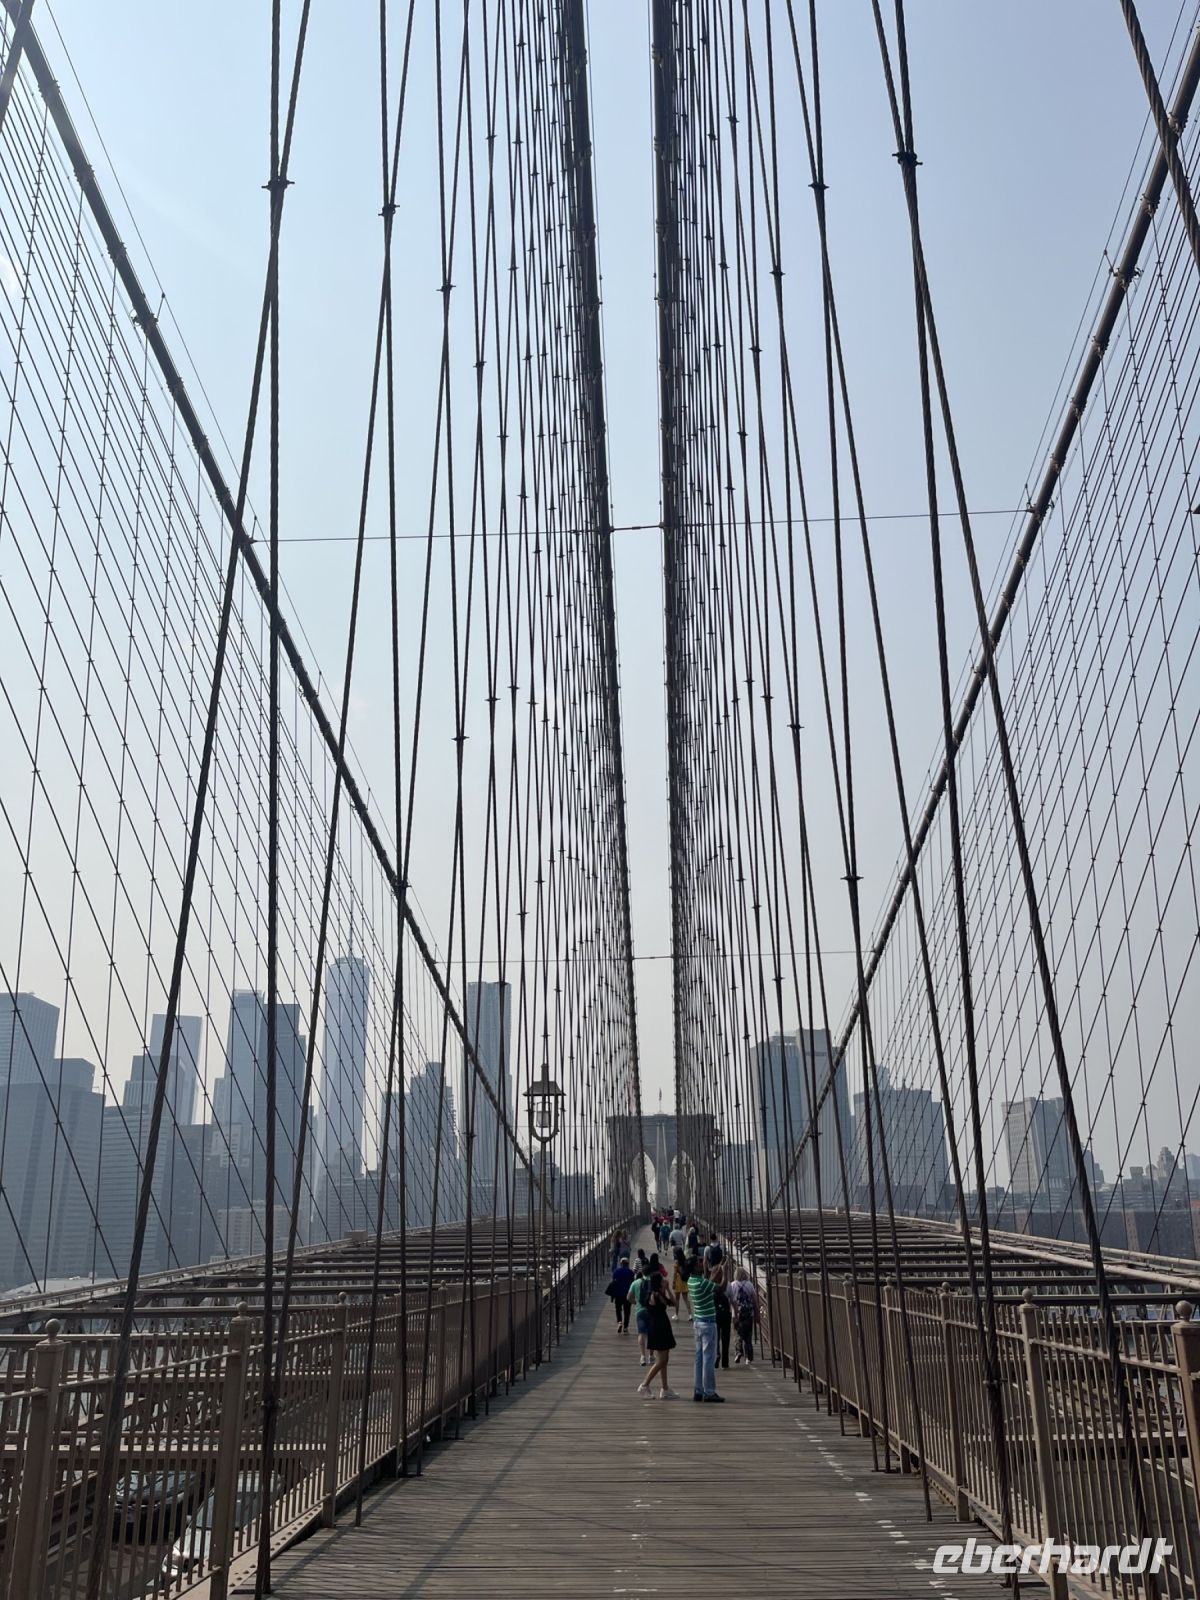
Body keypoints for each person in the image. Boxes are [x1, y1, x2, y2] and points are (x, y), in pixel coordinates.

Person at [637, 1263, 678, 1398]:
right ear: (658, 1282)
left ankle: (665, 1389)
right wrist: (667, 1289)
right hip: (660, 1328)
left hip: (658, 1327)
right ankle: (644, 1385)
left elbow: (671, 1303)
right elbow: (673, 1303)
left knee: (664, 1359)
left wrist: (666, 1289)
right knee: (661, 1360)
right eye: (661, 1280)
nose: (664, 1281)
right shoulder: (656, 1295)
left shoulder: (655, 1294)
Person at [686, 1256, 723, 1402]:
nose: (702, 1264)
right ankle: (709, 1392)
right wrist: (724, 1273)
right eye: (699, 1263)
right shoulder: (702, 1283)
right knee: (709, 1358)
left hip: (698, 1322)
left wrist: (714, 1272)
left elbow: (709, 1283)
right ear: (695, 1267)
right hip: (708, 1323)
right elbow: (720, 1287)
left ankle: (698, 1390)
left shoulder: (691, 1281)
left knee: (699, 1358)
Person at [729, 1267, 758, 1364]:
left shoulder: (732, 1285)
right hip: (748, 1313)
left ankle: (738, 1352)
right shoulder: (749, 1284)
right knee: (748, 1335)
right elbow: (754, 1300)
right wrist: (757, 1313)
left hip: (736, 1314)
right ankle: (748, 1358)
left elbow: (730, 1300)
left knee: (737, 1334)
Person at [711, 1262, 732, 1370]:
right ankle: (725, 1362)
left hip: (715, 1314)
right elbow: (733, 1300)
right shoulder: (728, 1284)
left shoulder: (711, 1285)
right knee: (726, 1338)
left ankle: (716, 1354)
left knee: (716, 1337)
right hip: (726, 1314)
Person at [611, 1254, 635, 1334]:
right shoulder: (630, 1272)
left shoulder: (616, 1271)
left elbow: (613, 1282)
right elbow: (633, 1283)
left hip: (618, 1294)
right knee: (627, 1311)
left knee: (618, 1309)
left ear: (621, 1263)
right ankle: (625, 1327)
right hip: (627, 1294)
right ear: (627, 1264)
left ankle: (619, 1322)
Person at [671, 1248, 691, 1321]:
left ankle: (676, 1315)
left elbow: (675, 1273)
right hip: (684, 1281)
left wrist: (673, 1282)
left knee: (677, 1299)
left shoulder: (676, 1262)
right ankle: (690, 1315)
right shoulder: (685, 1261)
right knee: (686, 1299)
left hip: (678, 1281)